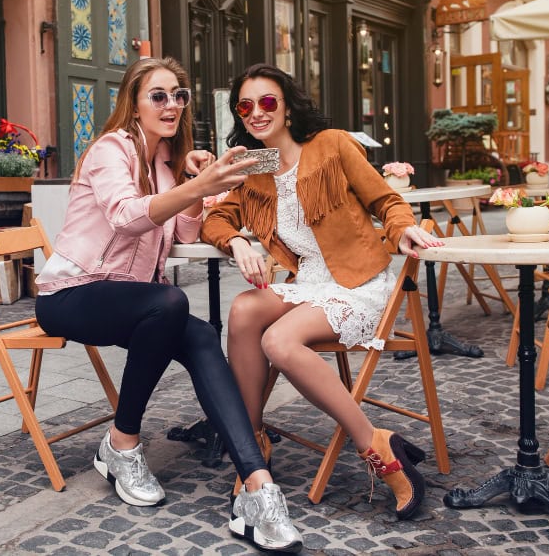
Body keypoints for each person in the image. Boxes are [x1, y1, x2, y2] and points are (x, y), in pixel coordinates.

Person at [34, 57, 304, 553]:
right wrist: (195, 186)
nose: (172, 104)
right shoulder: (110, 150)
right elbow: (125, 217)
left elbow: (182, 231)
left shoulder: (165, 165)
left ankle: (258, 489)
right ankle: (122, 443)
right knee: (170, 301)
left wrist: (202, 187)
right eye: (158, 95)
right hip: (71, 295)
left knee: (198, 332)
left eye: (179, 95)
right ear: (133, 105)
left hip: (137, 302)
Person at [200, 63, 443, 520]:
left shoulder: (330, 145)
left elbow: (385, 199)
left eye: (267, 102)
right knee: (243, 309)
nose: (256, 112)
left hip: (359, 283)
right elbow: (215, 218)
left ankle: (374, 444)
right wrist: (236, 240)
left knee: (277, 340)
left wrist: (403, 228)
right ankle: (252, 446)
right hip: (309, 282)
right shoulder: (256, 167)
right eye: (245, 105)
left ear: (287, 107)